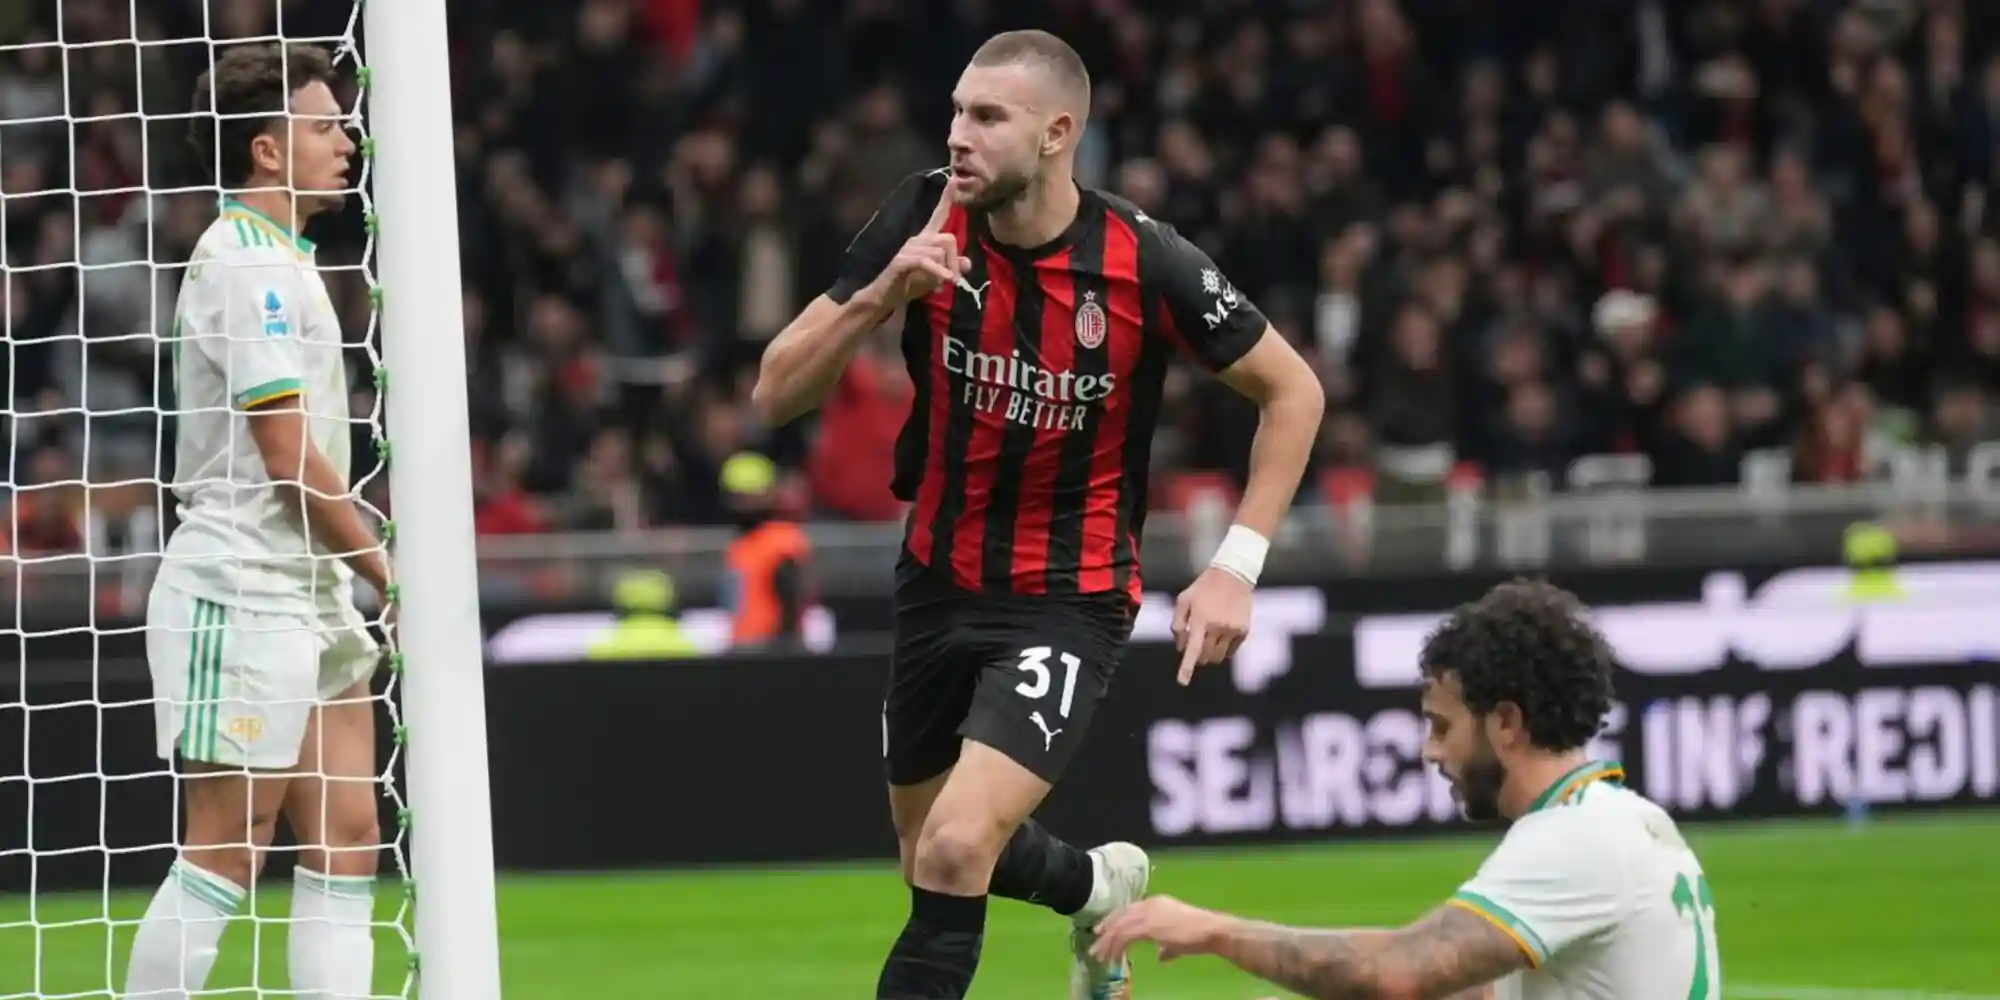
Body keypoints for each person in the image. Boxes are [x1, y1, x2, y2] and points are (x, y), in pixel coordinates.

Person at [752, 28, 1326, 1000]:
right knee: (927, 852)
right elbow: (774, 394)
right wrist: (881, 295)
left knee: (956, 846)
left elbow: (1293, 390)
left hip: (1067, 592)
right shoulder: (922, 214)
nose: (957, 136)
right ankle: (1098, 888)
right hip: (935, 578)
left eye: (986, 117)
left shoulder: (1143, 260)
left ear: (1056, 134)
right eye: (955, 112)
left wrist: (1236, 564)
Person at [1088, 580, 1724, 1000]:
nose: (1430, 751)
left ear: (1506, 723)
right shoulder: (1623, 821)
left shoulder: (1573, 840)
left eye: (1442, 726)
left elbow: (1396, 974)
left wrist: (1216, 931)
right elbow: (1461, 986)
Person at [128, 43, 388, 1000]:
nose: (346, 140)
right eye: (324, 125)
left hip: (308, 586)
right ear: (267, 150)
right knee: (230, 843)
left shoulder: (286, 261)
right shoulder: (246, 264)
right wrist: (387, 567)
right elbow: (285, 458)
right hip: (238, 585)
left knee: (350, 835)